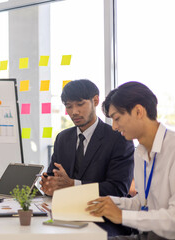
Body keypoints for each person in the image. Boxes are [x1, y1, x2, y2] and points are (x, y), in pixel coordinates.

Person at [40, 79, 135, 236]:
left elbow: (118, 189)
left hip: (103, 219)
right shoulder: (63, 138)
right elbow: (53, 177)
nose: (74, 112)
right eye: (69, 106)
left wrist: (73, 184)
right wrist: (49, 186)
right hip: (65, 214)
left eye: (80, 104)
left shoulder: (118, 137)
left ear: (95, 101)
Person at [87, 81, 175, 240]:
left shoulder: (172, 149)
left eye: (117, 118)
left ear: (138, 111)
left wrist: (121, 216)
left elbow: (173, 220)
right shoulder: (140, 152)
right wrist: (109, 202)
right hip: (147, 235)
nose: (114, 127)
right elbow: (143, 202)